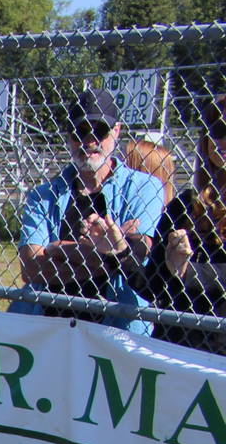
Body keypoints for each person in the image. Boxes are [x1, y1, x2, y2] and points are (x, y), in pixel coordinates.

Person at [19, 87, 166, 335]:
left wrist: (56, 249)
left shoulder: (145, 187)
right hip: (47, 330)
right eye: (80, 131)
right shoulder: (43, 195)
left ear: (116, 131)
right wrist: (111, 252)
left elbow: (139, 253)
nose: (90, 141)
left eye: (99, 131)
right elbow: (31, 268)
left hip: (118, 331)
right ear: (68, 135)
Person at [140, 97, 226, 355]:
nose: (221, 140)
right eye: (217, 130)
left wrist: (187, 270)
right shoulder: (184, 205)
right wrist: (120, 252)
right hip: (171, 345)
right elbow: (151, 285)